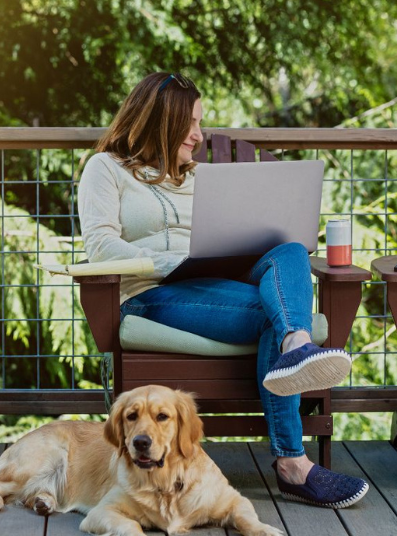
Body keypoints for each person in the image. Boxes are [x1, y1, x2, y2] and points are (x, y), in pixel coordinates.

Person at [78, 72, 368, 509]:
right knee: (275, 314)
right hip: (153, 293)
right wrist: (171, 261)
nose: (198, 135)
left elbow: (232, 232)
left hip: (220, 280)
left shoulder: (199, 176)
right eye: (190, 123)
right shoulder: (106, 169)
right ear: (160, 120)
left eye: (199, 123)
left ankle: (297, 343)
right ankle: (293, 463)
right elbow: (100, 247)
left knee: (289, 248)